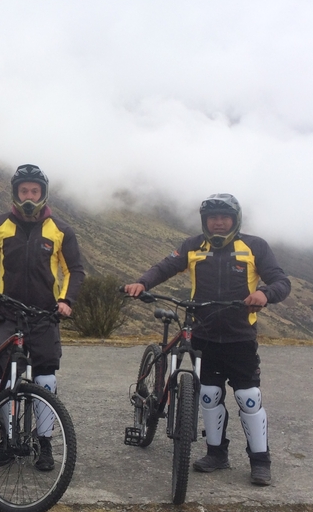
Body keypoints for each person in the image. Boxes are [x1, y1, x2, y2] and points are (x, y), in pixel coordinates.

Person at [123, 193, 291, 486]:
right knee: (209, 395)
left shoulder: (254, 246)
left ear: (235, 220)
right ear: (205, 221)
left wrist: (264, 293)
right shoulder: (192, 246)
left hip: (240, 338)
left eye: (224, 217)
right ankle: (216, 454)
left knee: (248, 399)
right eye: (212, 218)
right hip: (204, 333)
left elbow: (281, 281)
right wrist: (142, 282)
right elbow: (165, 266)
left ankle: (260, 460)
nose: (218, 223)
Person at [0, 164, 85, 471]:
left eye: (34, 191)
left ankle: (44, 443)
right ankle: (7, 441)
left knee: (45, 379)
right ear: (15, 193)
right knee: (5, 377)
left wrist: (66, 301)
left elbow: (75, 270)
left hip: (45, 316)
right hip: (7, 314)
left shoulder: (60, 230)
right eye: (24, 190)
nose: (29, 196)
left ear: (43, 193)